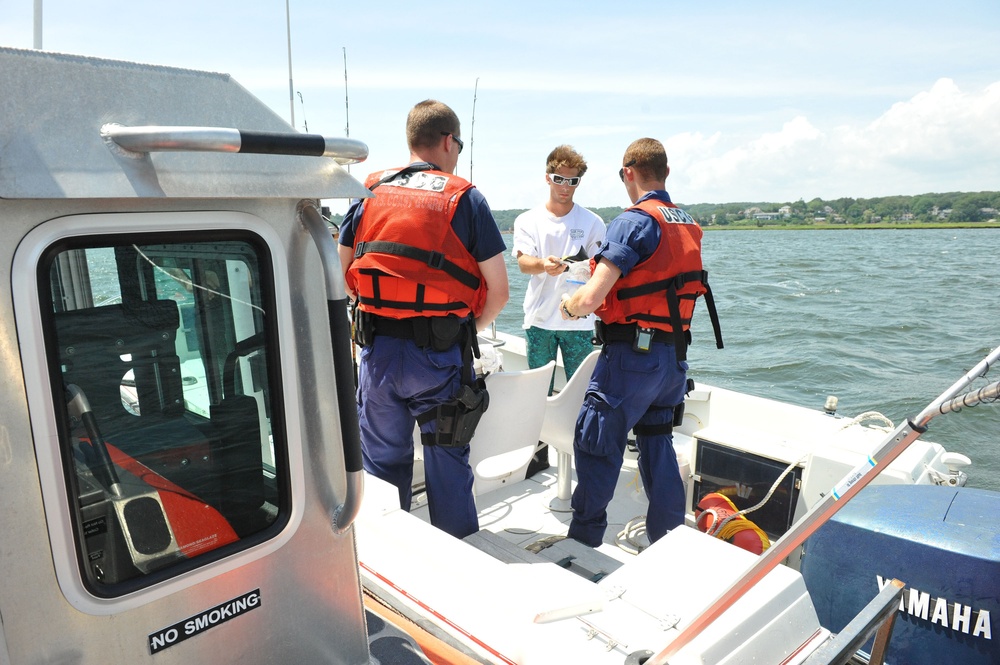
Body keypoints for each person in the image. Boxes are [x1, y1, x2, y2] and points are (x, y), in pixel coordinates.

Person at [338, 100, 509, 539]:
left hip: (377, 356)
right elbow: (499, 290)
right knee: (447, 465)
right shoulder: (464, 197)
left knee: (381, 465)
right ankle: (456, 560)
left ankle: (387, 554)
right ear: (449, 141)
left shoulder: (369, 191)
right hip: (438, 357)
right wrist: (465, 326)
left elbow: (339, 275)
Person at [558, 137, 722, 548]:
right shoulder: (687, 222)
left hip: (632, 359)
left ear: (627, 173)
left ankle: (583, 542)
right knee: (657, 444)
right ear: (665, 173)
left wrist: (569, 307)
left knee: (596, 442)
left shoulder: (633, 221)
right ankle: (667, 542)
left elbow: (593, 297)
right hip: (672, 359)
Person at [512, 145, 606, 394]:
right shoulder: (527, 220)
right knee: (537, 392)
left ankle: (579, 433)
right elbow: (523, 263)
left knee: (582, 394)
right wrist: (543, 264)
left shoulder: (593, 222)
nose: (565, 186)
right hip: (539, 321)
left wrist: (579, 268)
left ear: (578, 182)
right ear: (548, 178)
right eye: (559, 179)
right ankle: (538, 433)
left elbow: (601, 270)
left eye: (572, 180)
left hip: (580, 323)